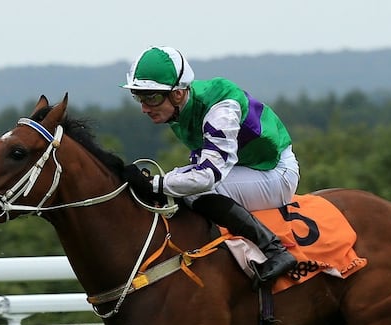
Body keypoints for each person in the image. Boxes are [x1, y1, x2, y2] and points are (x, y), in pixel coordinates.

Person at [122, 46, 298, 285]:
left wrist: (154, 184)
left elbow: (208, 176)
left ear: (178, 93)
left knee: (196, 191)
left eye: (151, 97)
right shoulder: (180, 108)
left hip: (275, 172)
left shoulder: (221, 109)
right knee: (177, 181)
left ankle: (274, 249)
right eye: (139, 98)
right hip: (248, 166)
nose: (144, 107)